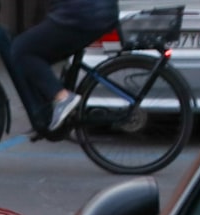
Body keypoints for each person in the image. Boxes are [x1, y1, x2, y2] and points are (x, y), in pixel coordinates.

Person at [10, 0, 120, 132]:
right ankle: (48, 113)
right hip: (100, 11)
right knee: (36, 58)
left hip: (79, 14)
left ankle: (63, 97)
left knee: (21, 50)